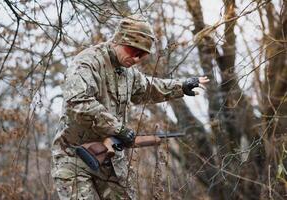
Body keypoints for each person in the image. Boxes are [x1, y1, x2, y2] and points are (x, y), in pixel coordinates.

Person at [51, 14, 210, 200]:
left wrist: (181, 86)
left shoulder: (128, 73)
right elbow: (78, 103)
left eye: (142, 55)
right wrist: (119, 129)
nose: (136, 58)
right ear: (119, 40)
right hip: (74, 157)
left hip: (111, 157)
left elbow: (148, 88)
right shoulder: (87, 63)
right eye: (133, 50)